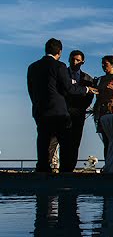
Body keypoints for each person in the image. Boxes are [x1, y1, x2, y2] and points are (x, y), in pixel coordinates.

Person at [26, 39, 96, 172]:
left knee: (43, 141)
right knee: (66, 144)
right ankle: (65, 172)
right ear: (60, 52)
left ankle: (42, 169)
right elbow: (68, 88)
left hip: (40, 110)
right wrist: (87, 90)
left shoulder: (32, 67)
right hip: (58, 112)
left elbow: (31, 90)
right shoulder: (59, 66)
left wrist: (37, 104)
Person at [61, 49, 94, 172]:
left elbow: (90, 98)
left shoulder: (88, 79)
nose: (74, 62)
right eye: (72, 59)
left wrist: (80, 109)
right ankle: (61, 170)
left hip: (78, 114)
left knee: (75, 143)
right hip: (62, 113)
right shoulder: (61, 75)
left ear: (82, 62)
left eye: (78, 60)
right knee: (62, 142)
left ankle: (69, 169)